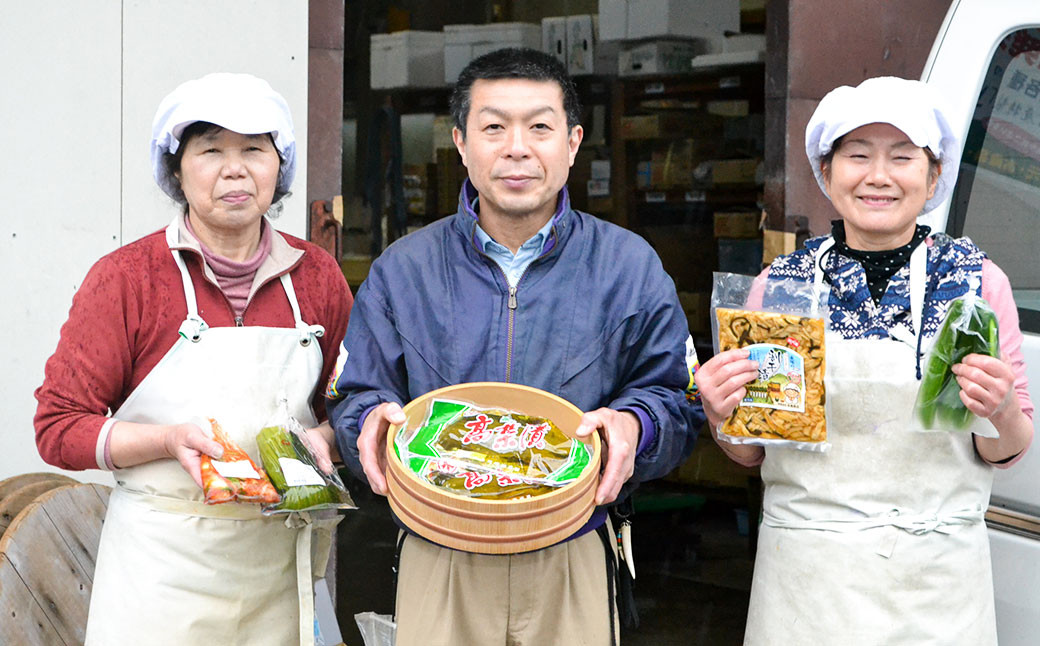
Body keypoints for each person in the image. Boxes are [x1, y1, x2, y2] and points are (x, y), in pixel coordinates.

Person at [327, 47, 702, 646]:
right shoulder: (404, 269)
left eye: (540, 127)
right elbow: (353, 393)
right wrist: (367, 422)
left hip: (574, 546)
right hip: (439, 547)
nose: (517, 148)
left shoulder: (629, 266)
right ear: (461, 142)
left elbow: (679, 399)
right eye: (494, 127)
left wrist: (636, 427)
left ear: (574, 143)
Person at [695, 76, 1034, 644]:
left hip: (937, 583)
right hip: (807, 578)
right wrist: (719, 412)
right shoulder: (783, 286)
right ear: (826, 175)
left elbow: (1004, 451)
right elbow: (750, 452)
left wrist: (1000, 411)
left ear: (933, 178)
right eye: (857, 156)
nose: (878, 176)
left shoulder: (975, 284)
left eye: (902, 157)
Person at [34, 73, 352, 646]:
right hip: (159, 577)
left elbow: (350, 399)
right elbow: (59, 426)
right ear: (177, 171)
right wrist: (165, 441)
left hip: (280, 573)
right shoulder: (128, 278)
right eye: (210, 151)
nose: (235, 169)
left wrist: (328, 438)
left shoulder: (317, 276)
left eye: (254, 149)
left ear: (279, 166)